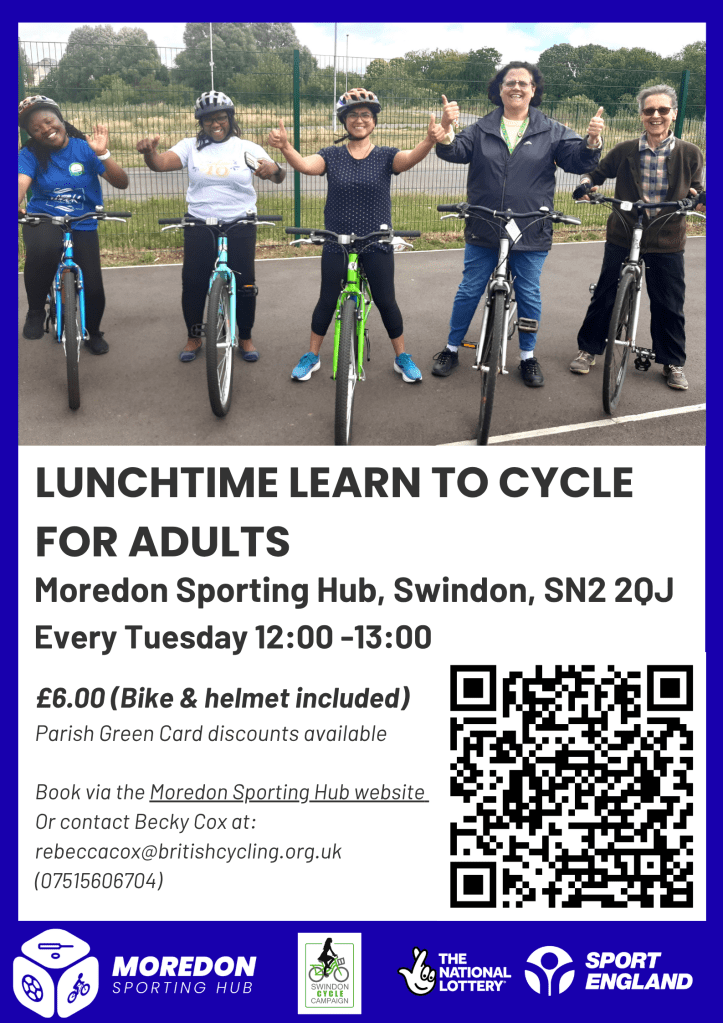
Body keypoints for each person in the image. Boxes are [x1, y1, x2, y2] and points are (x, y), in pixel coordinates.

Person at [432, 63, 605, 387]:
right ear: (499, 89)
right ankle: (451, 349)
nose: (516, 87)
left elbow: (576, 161)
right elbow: (456, 151)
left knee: (528, 293)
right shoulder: (482, 128)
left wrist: (591, 142)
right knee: (469, 289)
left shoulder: (552, 130)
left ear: (533, 90)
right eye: (509, 82)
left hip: (530, 226)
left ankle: (527, 355)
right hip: (485, 224)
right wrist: (446, 134)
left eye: (523, 82)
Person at [267, 88, 446, 383]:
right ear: (344, 121)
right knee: (327, 300)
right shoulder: (331, 155)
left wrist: (429, 139)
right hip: (338, 242)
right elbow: (306, 166)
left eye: (365, 115)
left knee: (386, 301)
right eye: (353, 115)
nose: (359, 120)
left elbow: (411, 158)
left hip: (377, 241)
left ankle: (402, 357)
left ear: (374, 121)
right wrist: (287, 148)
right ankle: (312, 355)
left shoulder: (387, 156)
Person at [569, 84, 705, 391]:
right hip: (623, 230)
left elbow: (697, 187)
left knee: (669, 301)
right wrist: (586, 186)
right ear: (641, 115)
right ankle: (589, 349)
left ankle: (672, 360)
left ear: (673, 113)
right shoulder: (626, 150)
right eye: (648, 110)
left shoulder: (690, 153)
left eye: (662, 110)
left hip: (667, 235)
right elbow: (596, 174)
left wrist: (698, 197)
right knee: (605, 292)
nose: (655, 116)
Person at [136, 90, 285, 362]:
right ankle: (194, 337)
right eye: (208, 121)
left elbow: (278, 174)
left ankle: (246, 337)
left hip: (240, 222)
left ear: (230, 118)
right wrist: (150, 154)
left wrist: (272, 169)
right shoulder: (190, 146)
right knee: (193, 281)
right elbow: (160, 164)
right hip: (200, 223)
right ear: (200, 123)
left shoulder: (245, 148)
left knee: (245, 284)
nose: (215, 125)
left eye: (221, 118)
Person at [18, 95, 129, 353]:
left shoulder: (83, 148)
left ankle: (93, 332)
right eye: (36, 128)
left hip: (83, 221)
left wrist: (103, 155)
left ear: (60, 119)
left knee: (93, 287)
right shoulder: (30, 153)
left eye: (48, 121)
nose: (45, 129)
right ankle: (35, 311)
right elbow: (20, 182)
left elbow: (121, 182)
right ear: (32, 135)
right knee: (43, 251)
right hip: (44, 217)